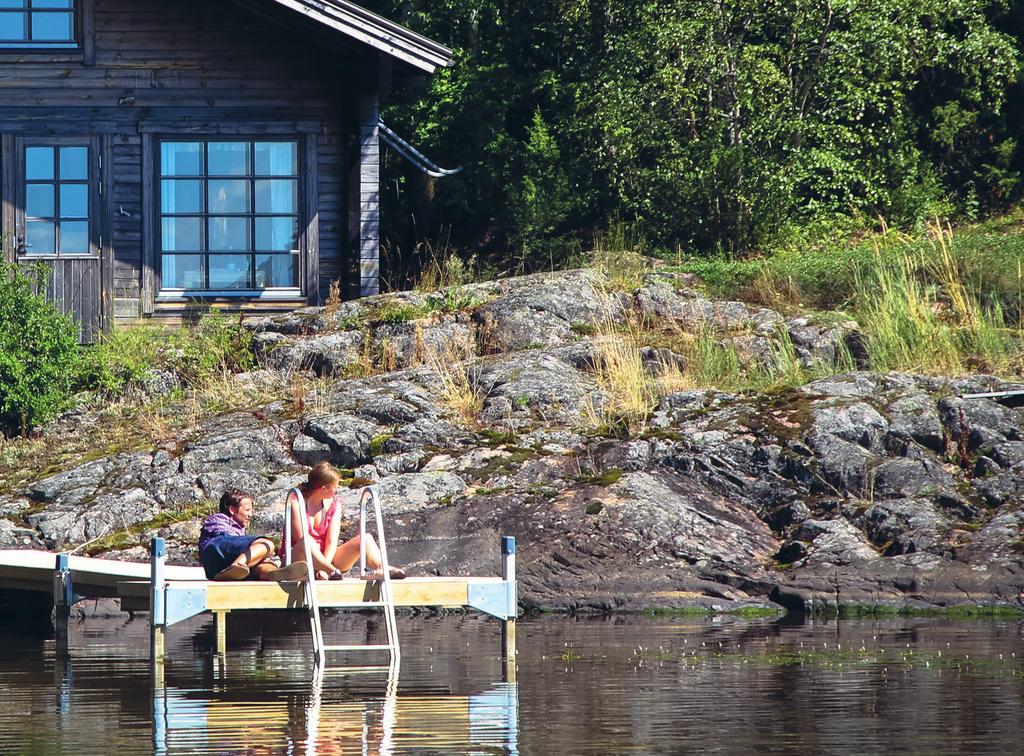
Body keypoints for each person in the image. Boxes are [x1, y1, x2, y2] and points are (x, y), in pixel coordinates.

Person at [282, 461, 406, 581]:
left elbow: (331, 542)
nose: (338, 489)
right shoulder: (296, 502)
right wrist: (324, 569)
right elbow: (301, 539)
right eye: (335, 486)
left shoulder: (335, 504)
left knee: (366, 538)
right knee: (308, 541)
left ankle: (381, 568)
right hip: (298, 561)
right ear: (323, 488)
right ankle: (331, 572)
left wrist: (324, 568)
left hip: (327, 561)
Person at [199, 489, 306, 581]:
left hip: (217, 569)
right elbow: (228, 539)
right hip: (215, 550)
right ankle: (236, 566)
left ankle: (273, 573)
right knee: (266, 545)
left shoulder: (238, 532)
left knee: (261, 565)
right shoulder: (217, 522)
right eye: (247, 510)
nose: (251, 514)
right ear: (232, 510)